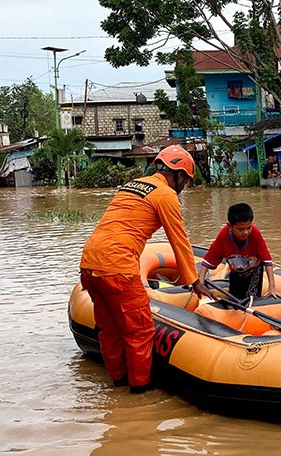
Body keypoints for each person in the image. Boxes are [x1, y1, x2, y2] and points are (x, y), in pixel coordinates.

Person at [79, 145, 213, 394]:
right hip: (118, 267)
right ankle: (139, 392)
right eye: (186, 181)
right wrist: (194, 281)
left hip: (89, 263)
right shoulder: (166, 195)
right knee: (140, 331)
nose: (183, 188)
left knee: (110, 330)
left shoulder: (132, 185)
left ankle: (118, 384)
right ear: (180, 175)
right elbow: (179, 240)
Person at [199, 203, 281, 300]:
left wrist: (272, 287)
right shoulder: (223, 236)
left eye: (249, 228)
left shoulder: (255, 233)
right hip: (236, 272)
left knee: (251, 297)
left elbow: (267, 261)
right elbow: (207, 261)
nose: (246, 232)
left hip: (254, 270)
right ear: (230, 226)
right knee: (235, 298)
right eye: (240, 229)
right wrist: (200, 283)